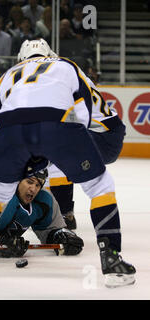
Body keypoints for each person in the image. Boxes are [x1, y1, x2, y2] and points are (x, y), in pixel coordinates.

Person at [0, 38, 135, 287]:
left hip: (8, 130)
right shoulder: (67, 65)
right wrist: (81, 146)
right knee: (100, 185)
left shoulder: (8, 74)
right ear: (51, 53)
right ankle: (112, 259)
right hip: (56, 125)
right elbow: (93, 109)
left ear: (21, 59)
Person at [47, 74, 126, 230]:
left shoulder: (59, 80)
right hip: (107, 134)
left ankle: (63, 213)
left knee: (55, 147)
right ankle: (63, 212)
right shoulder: (67, 73)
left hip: (102, 137)